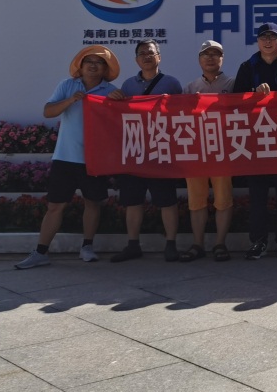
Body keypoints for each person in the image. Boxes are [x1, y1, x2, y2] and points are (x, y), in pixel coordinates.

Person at [15, 45, 119, 269]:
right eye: (89, 61)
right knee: (55, 205)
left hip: (94, 158)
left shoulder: (111, 92)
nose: (93, 65)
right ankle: (41, 251)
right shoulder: (67, 86)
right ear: (81, 65)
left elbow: (119, 124)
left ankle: (87, 247)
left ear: (105, 68)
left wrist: (118, 102)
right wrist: (71, 100)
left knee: (93, 203)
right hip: (65, 156)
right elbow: (48, 111)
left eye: (99, 62)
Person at [107, 38, 184, 263]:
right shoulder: (128, 86)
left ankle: (171, 245)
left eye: (151, 53)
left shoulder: (171, 84)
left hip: (162, 149)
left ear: (159, 57)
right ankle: (133, 245)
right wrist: (113, 99)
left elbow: (182, 114)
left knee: (167, 200)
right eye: (142, 53)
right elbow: (118, 115)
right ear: (136, 60)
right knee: (133, 201)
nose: (147, 57)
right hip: (135, 150)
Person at [233, 22, 277, 260]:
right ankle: (258, 241)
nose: (268, 41)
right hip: (257, 140)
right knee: (258, 195)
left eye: (273, 37)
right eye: (263, 37)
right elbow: (236, 102)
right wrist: (253, 95)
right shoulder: (247, 67)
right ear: (257, 41)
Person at [181, 40, 236, 262]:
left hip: (223, 150)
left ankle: (220, 244)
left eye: (215, 54)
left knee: (223, 199)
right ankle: (198, 244)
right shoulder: (190, 88)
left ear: (222, 59)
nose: (211, 58)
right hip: (196, 152)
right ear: (199, 59)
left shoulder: (233, 84)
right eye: (206, 54)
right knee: (196, 201)